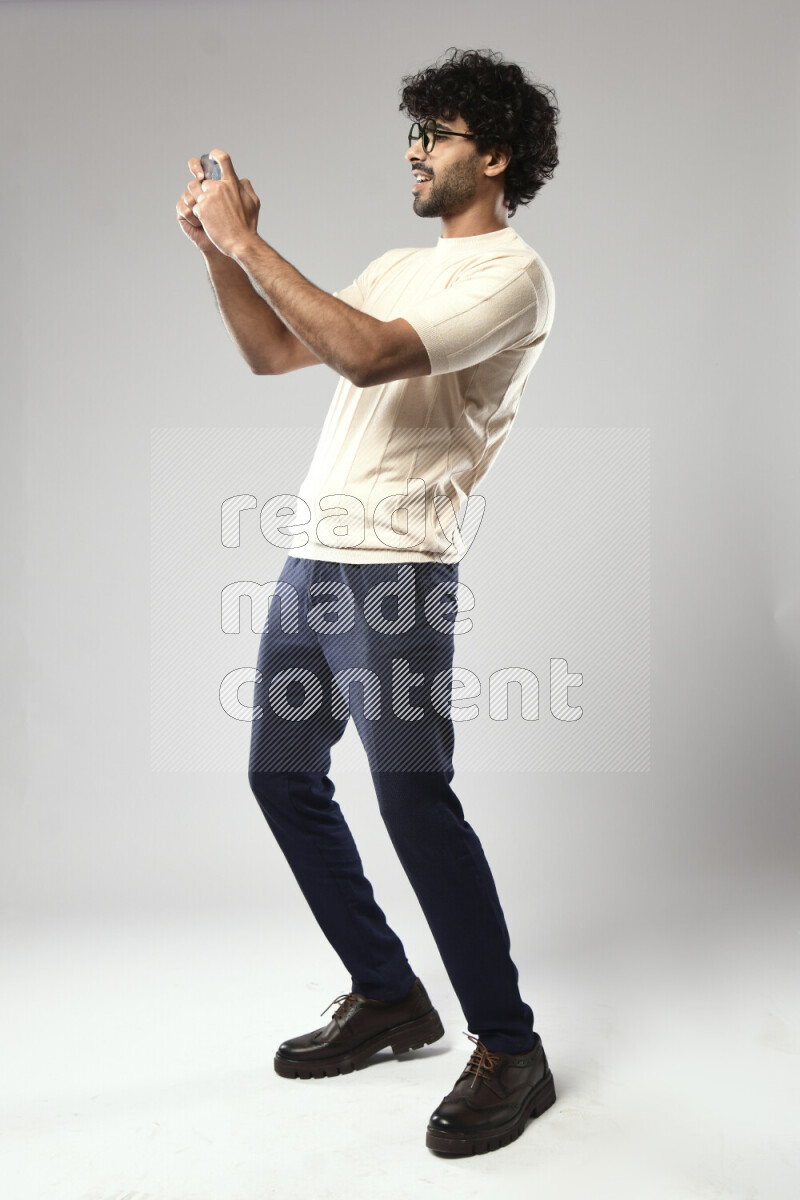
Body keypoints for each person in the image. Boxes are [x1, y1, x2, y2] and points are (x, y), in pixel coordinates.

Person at [176, 46, 560, 1157]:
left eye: (434, 135)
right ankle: (389, 995)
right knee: (279, 775)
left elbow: (369, 357)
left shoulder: (512, 275)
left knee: (411, 802)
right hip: (313, 560)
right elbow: (268, 352)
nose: (413, 150)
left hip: (394, 575)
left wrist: (251, 237)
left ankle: (510, 1044)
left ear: (490, 157)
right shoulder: (395, 260)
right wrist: (217, 253)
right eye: (413, 133)